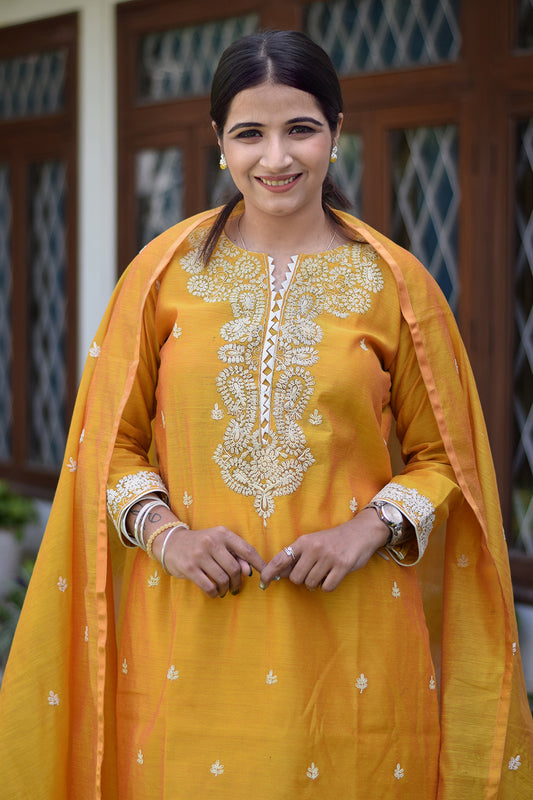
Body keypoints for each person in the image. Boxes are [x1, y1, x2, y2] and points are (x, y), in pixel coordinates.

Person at [0, 29, 531, 799]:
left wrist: (364, 529)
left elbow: (447, 456)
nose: (275, 158)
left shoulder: (396, 287)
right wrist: (165, 533)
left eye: (300, 130)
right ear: (219, 141)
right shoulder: (162, 277)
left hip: (349, 648)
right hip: (184, 643)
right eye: (250, 132)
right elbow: (105, 445)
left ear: (336, 134)